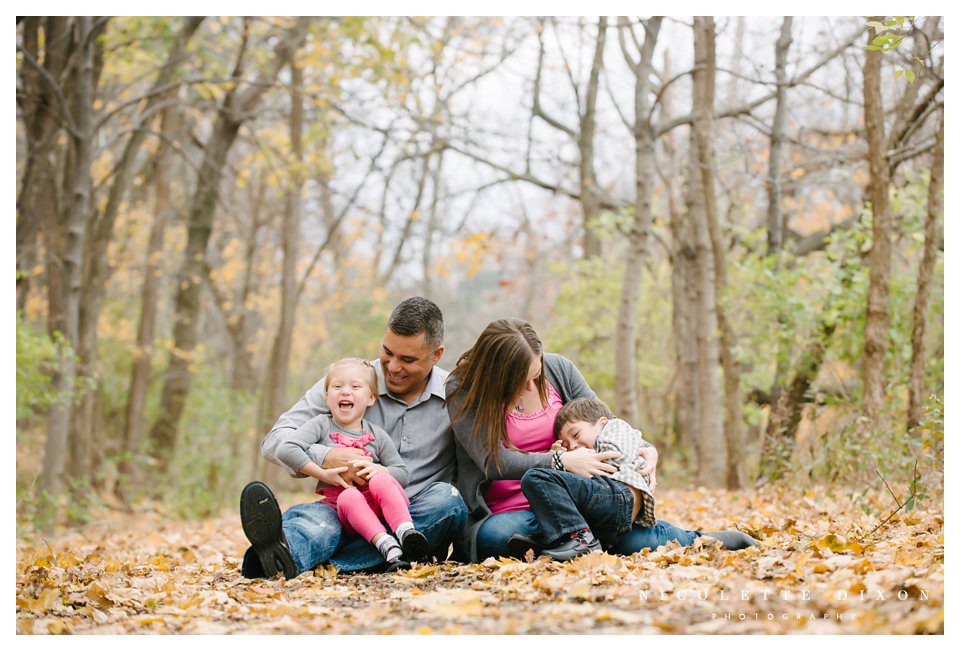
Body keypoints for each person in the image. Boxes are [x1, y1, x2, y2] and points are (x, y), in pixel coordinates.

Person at [446, 318, 756, 562]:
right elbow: (492, 461)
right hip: (509, 510)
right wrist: (560, 460)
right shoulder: (463, 389)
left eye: (536, 376)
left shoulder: (559, 370)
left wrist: (647, 449)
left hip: (578, 496)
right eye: (520, 380)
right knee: (497, 537)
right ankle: (585, 538)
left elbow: (605, 422)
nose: (530, 387)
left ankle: (706, 539)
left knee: (639, 543)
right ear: (496, 375)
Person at [239, 297, 467, 579]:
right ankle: (276, 556)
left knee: (448, 501)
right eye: (387, 352)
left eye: (407, 359)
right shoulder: (351, 381)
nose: (393, 367)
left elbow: (476, 468)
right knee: (318, 522)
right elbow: (275, 440)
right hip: (344, 509)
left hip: (412, 516)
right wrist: (324, 455)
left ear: (436, 355)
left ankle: (318, 558)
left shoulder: (457, 396)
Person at [266, 357, 429, 571]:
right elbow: (286, 449)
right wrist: (324, 474)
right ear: (327, 396)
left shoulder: (376, 435)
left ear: (371, 398)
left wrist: (381, 470)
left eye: (355, 386)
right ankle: (387, 546)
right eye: (337, 386)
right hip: (344, 511)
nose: (345, 391)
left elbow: (402, 473)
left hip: (381, 506)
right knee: (348, 496)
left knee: (382, 481)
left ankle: (406, 533)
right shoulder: (321, 425)